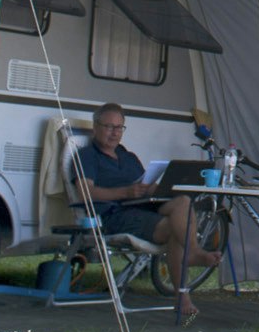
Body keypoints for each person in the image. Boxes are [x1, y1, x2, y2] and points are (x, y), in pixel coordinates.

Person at [71, 102, 218, 319]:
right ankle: (183, 289)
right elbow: (85, 193)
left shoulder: (128, 157)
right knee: (176, 229)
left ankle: (192, 254)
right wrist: (125, 193)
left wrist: (162, 187)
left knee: (183, 201)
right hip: (115, 215)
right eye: (109, 127)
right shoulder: (87, 156)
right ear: (95, 127)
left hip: (144, 206)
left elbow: (144, 184)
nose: (114, 133)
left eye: (119, 127)